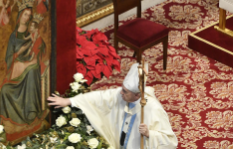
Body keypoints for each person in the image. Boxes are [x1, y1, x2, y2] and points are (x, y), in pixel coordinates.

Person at [47, 63, 178, 149]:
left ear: (137, 96)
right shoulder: (122, 95)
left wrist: (150, 134)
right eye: (122, 89)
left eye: (125, 91)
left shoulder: (152, 109)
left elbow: (171, 141)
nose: (120, 93)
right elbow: (99, 98)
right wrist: (69, 101)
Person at [0, 5, 45, 130]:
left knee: (30, 73)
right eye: (25, 14)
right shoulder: (13, 36)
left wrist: (26, 61)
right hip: (16, 70)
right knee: (4, 91)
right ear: (20, 15)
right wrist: (17, 57)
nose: (27, 18)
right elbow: (9, 56)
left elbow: (38, 47)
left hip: (30, 68)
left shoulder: (31, 32)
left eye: (29, 16)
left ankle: (30, 112)